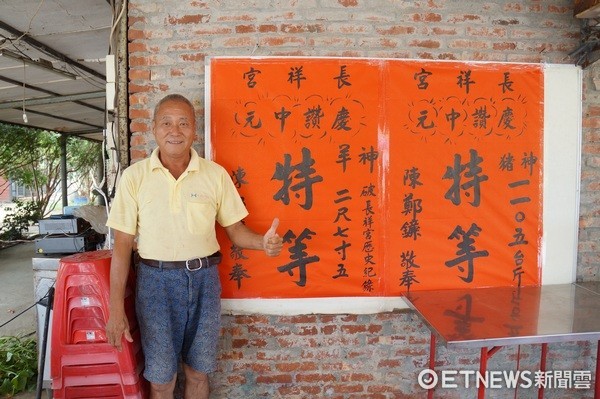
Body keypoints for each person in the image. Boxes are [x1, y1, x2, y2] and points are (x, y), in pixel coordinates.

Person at [105, 93, 283, 399]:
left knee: (198, 372)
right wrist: (115, 308)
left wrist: (263, 243)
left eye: (183, 123)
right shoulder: (134, 178)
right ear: (154, 129)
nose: (175, 131)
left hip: (204, 282)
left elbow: (236, 231)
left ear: (195, 131)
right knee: (161, 378)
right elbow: (122, 246)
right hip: (155, 284)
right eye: (167, 123)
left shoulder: (215, 175)